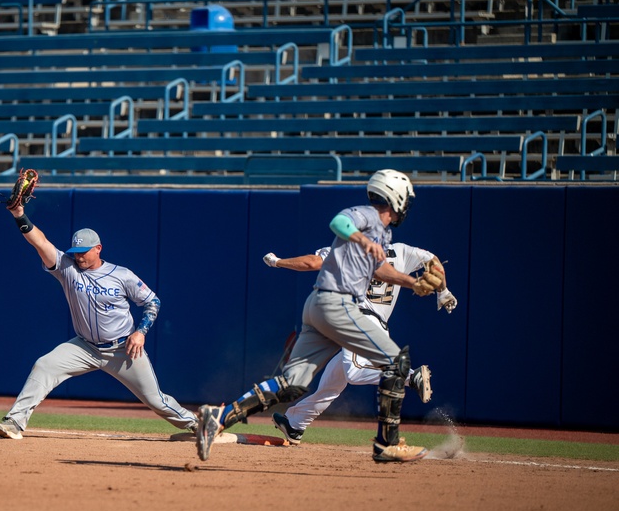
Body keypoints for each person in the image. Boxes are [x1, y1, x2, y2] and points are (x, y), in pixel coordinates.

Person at [196, 169, 430, 462]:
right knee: (398, 363)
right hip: (338, 304)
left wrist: (412, 282)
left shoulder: (383, 233)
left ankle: (219, 416)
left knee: (292, 383)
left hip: (320, 305)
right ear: (395, 197)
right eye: (405, 198)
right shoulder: (367, 216)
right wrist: (360, 238)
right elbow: (339, 222)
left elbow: (379, 270)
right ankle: (387, 443)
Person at [0, 202, 198, 440]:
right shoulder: (67, 268)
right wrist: (19, 215)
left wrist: (141, 332)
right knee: (44, 365)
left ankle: (197, 425)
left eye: (84, 251)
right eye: (76, 251)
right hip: (84, 346)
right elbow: (41, 242)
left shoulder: (122, 275)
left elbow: (153, 302)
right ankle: (15, 422)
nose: (79, 256)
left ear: (98, 248)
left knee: (155, 400)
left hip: (123, 349)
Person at [260, 244, 458, 445]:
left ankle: (409, 376)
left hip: (359, 320)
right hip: (377, 326)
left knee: (354, 372)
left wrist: (277, 262)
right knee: (333, 380)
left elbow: (311, 262)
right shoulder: (400, 251)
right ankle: (295, 423)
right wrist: (443, 291)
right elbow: (433, 261)